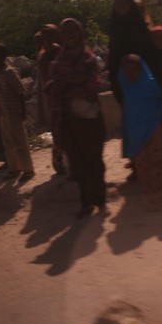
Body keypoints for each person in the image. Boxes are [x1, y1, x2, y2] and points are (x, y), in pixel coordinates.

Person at [47, 18, 107, 218]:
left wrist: (69, 87)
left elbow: (94, 85)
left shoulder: (88, 59)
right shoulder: (58, 63)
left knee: (94, 160)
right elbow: (54, 88)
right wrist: (69, 87)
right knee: (77, 161)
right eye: (65, 33)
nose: (70, 36)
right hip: (70, 120)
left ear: (80, 33)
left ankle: (101, 200)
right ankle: (86, 203)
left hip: (90, 118)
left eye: (73, 31)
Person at [118, 54, 162, 211]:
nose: (130, 74)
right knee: (145, 165)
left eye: (134, 70)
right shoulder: (127, 89)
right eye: (126, 70)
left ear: (141, 70)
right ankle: (156, 193)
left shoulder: (150, 87)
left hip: (154, 131)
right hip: (137, 136)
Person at [0, 44, 34, 182]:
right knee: (8, 143)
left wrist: (22, 111)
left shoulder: (9, 72)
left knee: (19, 142)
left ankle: (28, 170)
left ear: (0, 56)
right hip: (3, 113)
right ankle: (14, 169)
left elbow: (20, 92)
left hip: (13, 112)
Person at [107, 0, 153, 106]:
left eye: (124, 4)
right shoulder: (114, 25)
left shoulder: (140, 28)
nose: (121, 7)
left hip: (142, 78)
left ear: (130, 5)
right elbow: (113, 54)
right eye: (118, 5)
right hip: (122, 80)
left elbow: (148, 53)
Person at [35, 24, 66, 175]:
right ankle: (59, 162)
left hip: (64, 96)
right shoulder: (45, 54)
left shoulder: (61, 51)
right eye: (45, 37)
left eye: (50, 36)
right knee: (58, 130)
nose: (48, 40)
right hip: (52, 98)